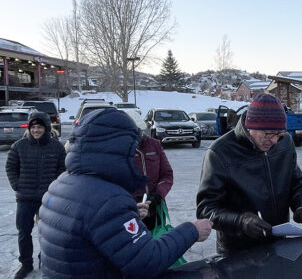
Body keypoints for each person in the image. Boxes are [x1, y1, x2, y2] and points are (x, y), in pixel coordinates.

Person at [38, 108, 212, 278]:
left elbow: (89, 227)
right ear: (120, 147)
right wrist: (192, 230)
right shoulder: (108, 199)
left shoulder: (59, 184)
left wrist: (127, 214)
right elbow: (147, 262)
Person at [196, 93, 302, 253]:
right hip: (238, 251)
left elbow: (296, 182)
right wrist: (240, 221)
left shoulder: (284, 143)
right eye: (268, 134)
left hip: (278, 244)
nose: (274, 141)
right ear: (250, 126)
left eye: (279, 134)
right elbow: (206, 209)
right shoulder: (220, 152)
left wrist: (301, 207)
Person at [5, 111, 66, 279]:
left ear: (46, 128)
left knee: (47, 233)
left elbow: (63, 170)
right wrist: (17, 185)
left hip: (48, 199)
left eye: (39, 127)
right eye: (33, 127)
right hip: (25, 198)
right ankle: (26, 263)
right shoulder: (19, 146)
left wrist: (55, 188)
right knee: (24, 232)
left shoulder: (57, 147)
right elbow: (10, 167)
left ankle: (44, 259)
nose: (36, 130)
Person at [132, 131, 174, 230]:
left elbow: (167, 174)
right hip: (130, 210)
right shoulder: (118, 148)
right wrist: (132, 200)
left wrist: (157, 195)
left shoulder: (154, 144)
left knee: (157, 242)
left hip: (155, 208)